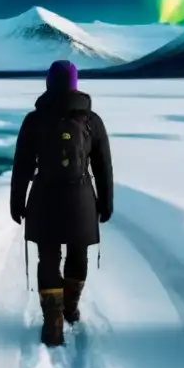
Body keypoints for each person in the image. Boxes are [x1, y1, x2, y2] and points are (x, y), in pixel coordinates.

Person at [10, 59, 114, 347]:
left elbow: (22, 165)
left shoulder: (34, 119)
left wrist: (17, 202)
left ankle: (53, 324)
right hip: (81, 197)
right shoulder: (91, 120)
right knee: (78, 255)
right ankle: (70, 308)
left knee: (49, 258)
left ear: (48, 83)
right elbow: (103, 165)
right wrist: (106, 202)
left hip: (44, 196)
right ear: (75, 84)